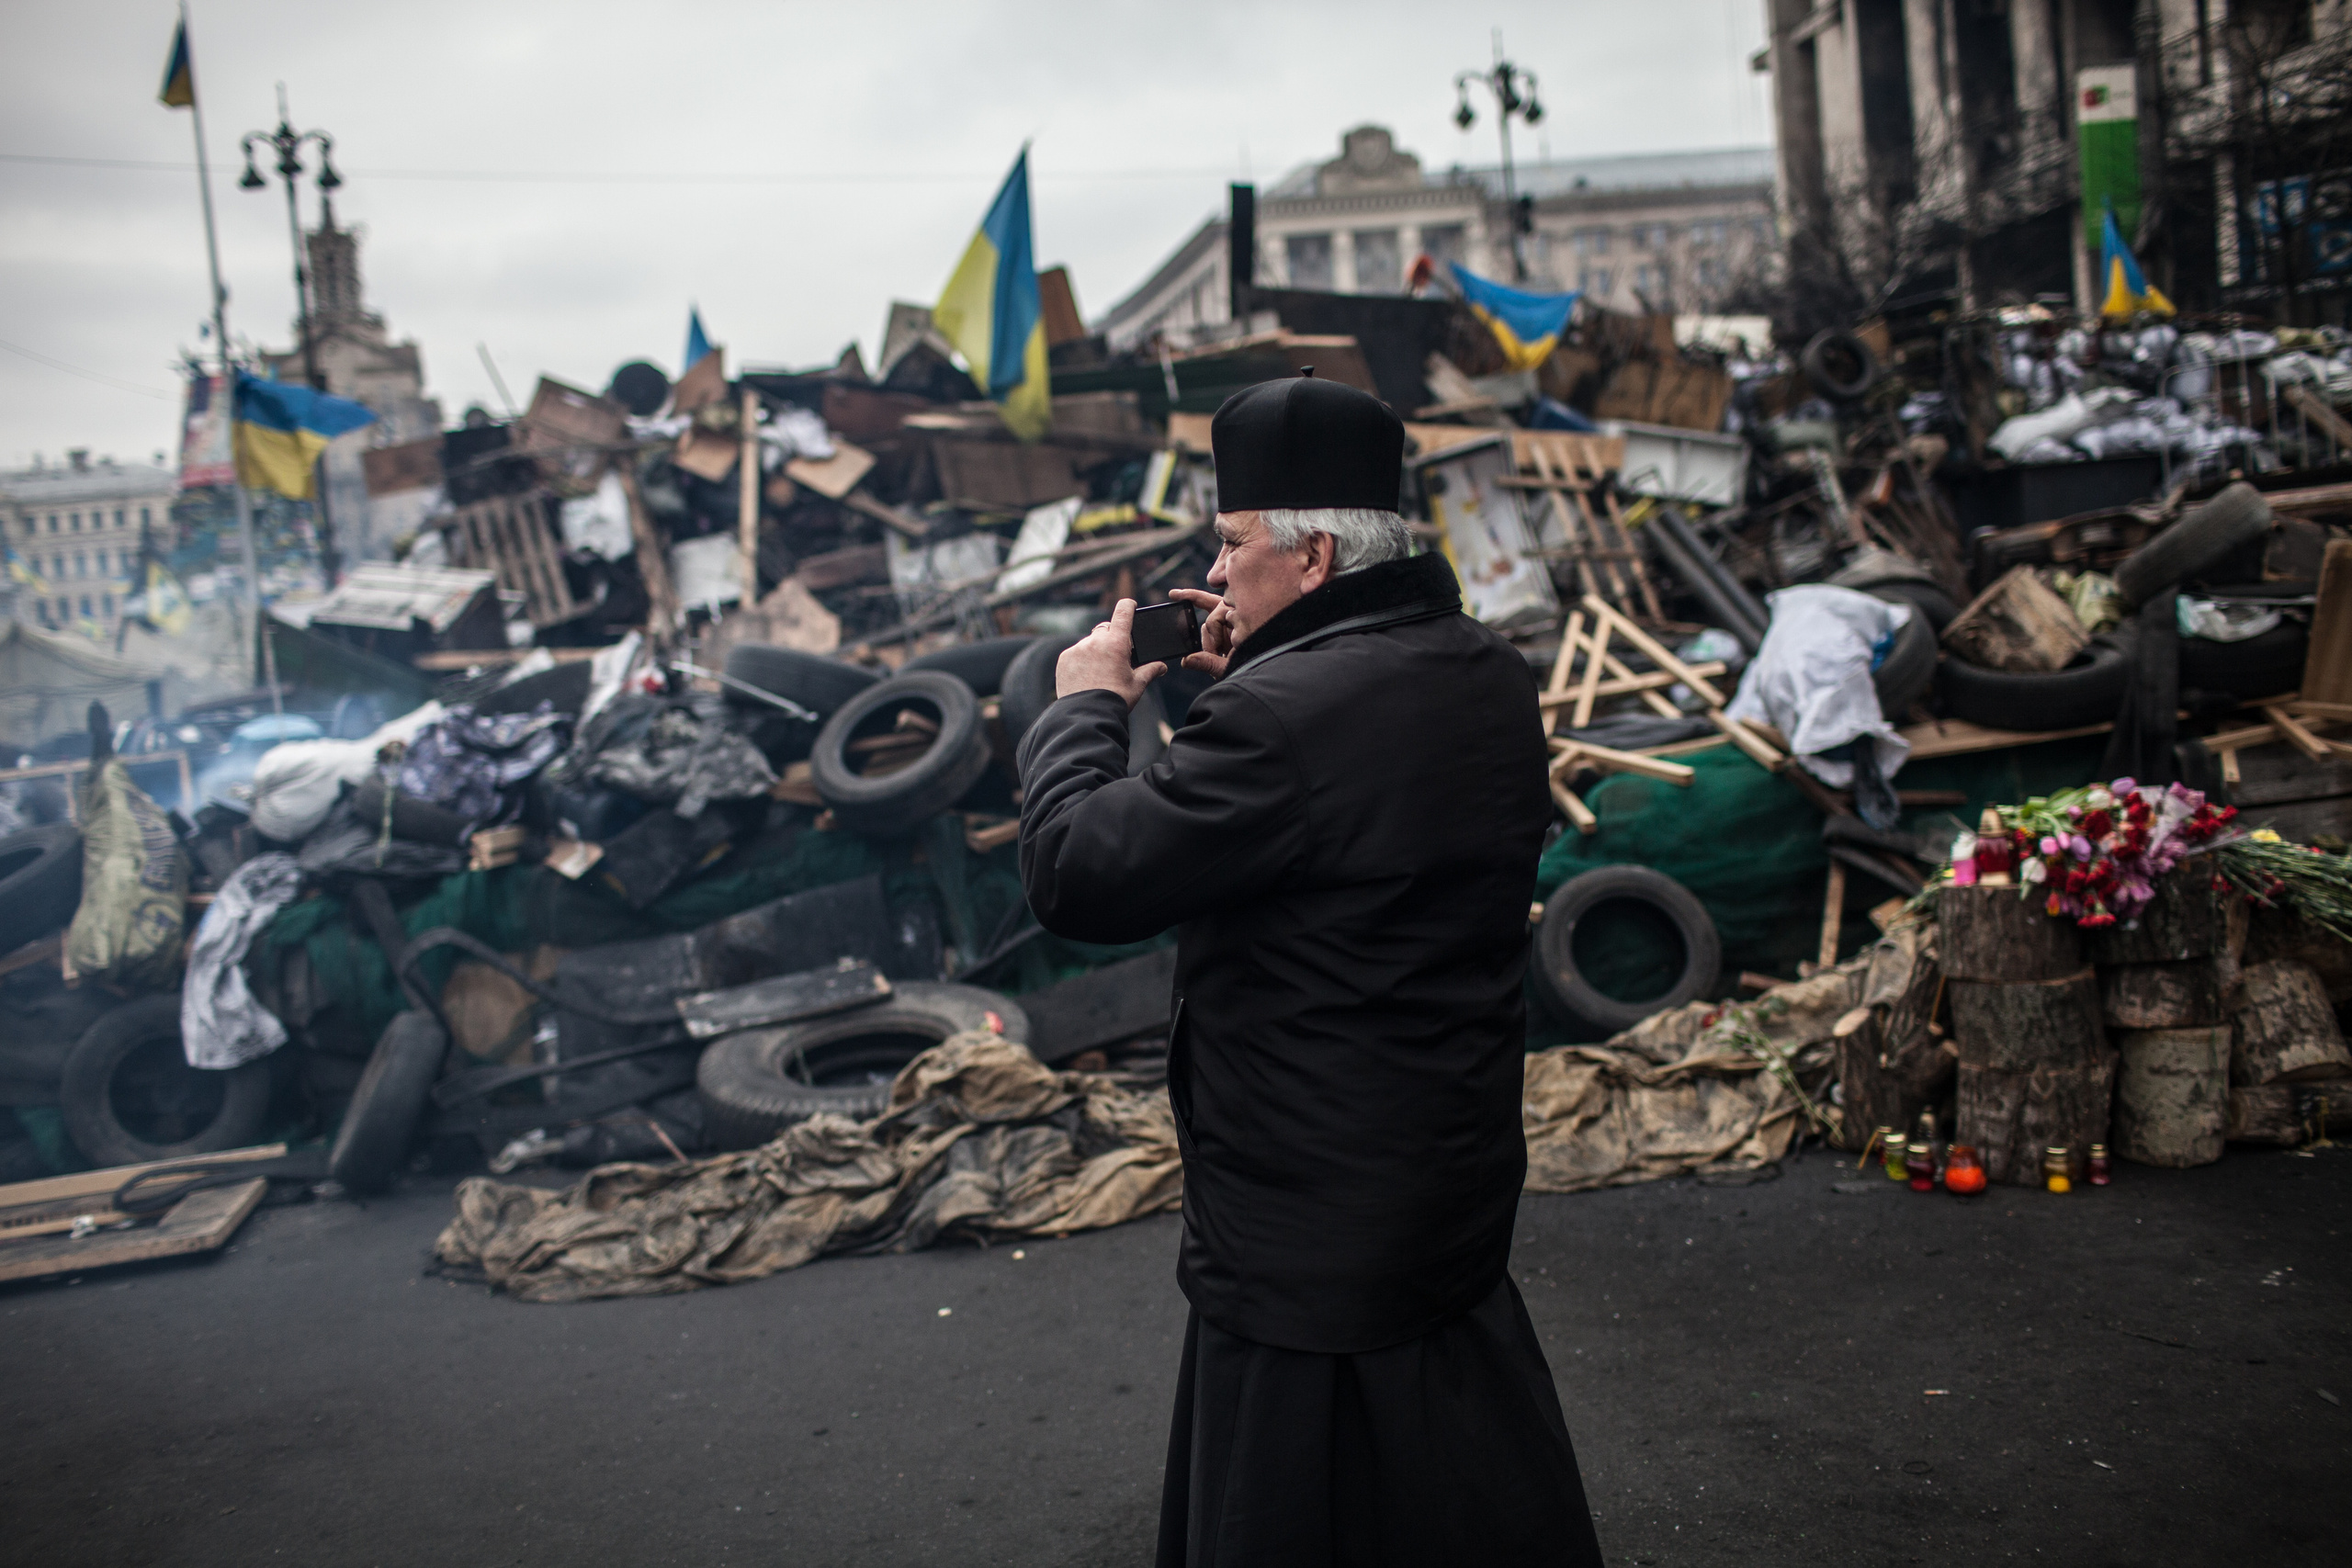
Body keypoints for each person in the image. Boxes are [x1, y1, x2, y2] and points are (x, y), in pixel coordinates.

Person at [1016, 371, 1605, 1567]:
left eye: (1233, 544)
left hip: (1306, 1215)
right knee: (1462, 1490)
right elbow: (1343, 814)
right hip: (1444, 1174)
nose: (1216, 571)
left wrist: (1085, 707)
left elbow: (1077, 874)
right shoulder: (1486, 667)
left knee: (1295, 1507)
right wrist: (1261, 671)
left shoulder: (1282, 719)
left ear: (1315, 555)